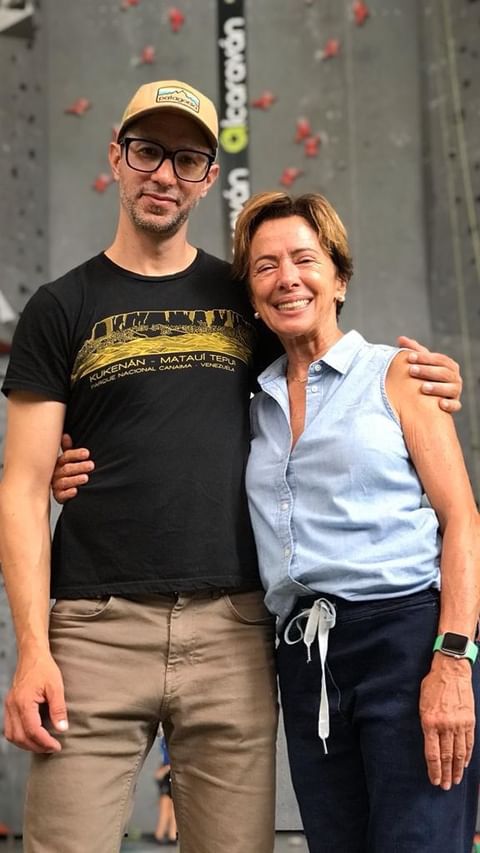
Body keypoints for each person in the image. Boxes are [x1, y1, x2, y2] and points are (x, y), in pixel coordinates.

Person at [0, 75, 463, 853]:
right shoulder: (61, 306)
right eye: (147, 152)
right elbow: (20, 487)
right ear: (116, 156)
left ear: (209, 176)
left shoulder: (244, 295)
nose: (164, 174)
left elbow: (324, 366)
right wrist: (33, 649)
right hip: (94, 629)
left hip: (233, 630)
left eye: (187, 160)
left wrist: (426, 379)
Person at [230, 190, 480, 853]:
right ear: (252, 295)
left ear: (339, 278)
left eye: (305, 259)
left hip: (406, 642)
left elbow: (463, 520)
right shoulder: (252, 403)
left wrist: (454, 660)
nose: (287, 278)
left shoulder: (398, 376)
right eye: (266, 266)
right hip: (304, 655)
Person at [154, 730, 177, 846]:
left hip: (172, 774)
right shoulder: (165, 744)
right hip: (167, 776)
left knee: (173, 812)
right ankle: (160, 835)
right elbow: (158, 774)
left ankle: (172, 836)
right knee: (165, 811)